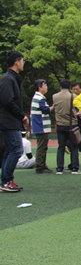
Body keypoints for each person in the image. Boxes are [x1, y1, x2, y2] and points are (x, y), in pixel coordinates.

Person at [0, 51, 29, 192]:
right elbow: (8, 101)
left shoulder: (12, 78)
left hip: (10, 120)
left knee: (11, 149)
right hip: (8, 120)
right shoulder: (7, 79)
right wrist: (22, 116)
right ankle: (6, 181)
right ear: (16, 62)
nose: (23, 64)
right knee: (17, 149)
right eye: (22, 61)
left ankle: (6, 180)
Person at [51, 79, 81, 176]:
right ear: (70, 87)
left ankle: (59, 168)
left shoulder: (54, 96)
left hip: (60, 124)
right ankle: (75, 168)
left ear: (60, 87)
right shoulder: (73, 96)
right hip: (71, 125)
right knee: (74, 147)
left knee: (61, 146)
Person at [30, 79, 52, 174]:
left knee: (42, 146)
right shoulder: (40, 98)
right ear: (40, 87)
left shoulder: (36, 97)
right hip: (41, 126)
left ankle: (42, 165)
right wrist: (52, 107)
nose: (46, 87)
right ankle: (40, 166)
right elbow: (45, 110)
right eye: (45, 85)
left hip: (38, 126)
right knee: (42, 147)